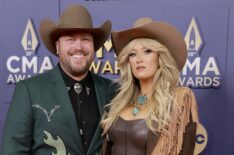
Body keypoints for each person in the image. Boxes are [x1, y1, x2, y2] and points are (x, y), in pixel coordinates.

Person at [1, 4, 117, 155]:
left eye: (85, 39)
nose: (79, 46)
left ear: (93, 46)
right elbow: (13, 151)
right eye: (70, 39)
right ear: (57, 47)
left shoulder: (111, 90)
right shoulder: (29, 90)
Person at [100, 17, 199, 155]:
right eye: (133, 54)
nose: (139, 59)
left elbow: (185, 150)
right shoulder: (120, 101)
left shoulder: (178, 102)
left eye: (147, 51)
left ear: (160, 57)